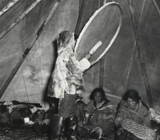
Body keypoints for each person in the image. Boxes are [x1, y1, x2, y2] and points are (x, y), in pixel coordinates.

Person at [47, 31, 91, 140]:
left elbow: (74, 70)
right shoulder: (66, 54)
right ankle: (55, 137)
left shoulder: (68, 53)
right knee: (63, 113)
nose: (75, 42)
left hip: (70, 89)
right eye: (74, 40)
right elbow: (75, 69)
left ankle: (72, 136)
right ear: (68, 41)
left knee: (71, 113)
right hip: (66, 89)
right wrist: (86, 60)